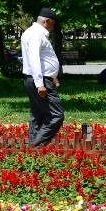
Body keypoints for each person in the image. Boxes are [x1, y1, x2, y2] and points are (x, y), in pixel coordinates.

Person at [21, 8, 64, 147]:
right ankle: (35, 147)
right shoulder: (36, 34)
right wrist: (40, 84)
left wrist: (53, 77)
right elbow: (34, 60)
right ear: (46, 21)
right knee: (56, 115)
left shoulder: (32, 32)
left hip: (39, 79)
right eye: (53, 24)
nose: (53, 27)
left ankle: (33, 149)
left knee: (37, 114)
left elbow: (43, 60)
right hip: (38, 80)